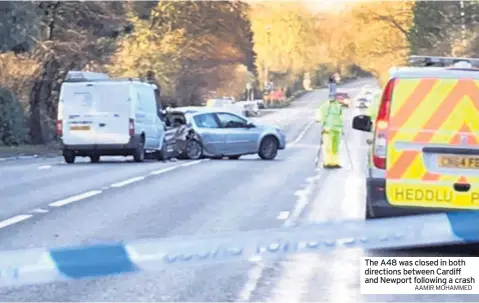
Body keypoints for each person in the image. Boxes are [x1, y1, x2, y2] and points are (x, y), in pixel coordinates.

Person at [315, 91, 345, 168]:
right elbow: (340, 118)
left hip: (330, 129)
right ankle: (332, 162)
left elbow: (321, 117)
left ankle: (330, 162)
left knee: (330, 147)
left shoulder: (328, 106)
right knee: (333, 148)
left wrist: (322, 125)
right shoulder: (335, 106)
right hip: (333, 129)